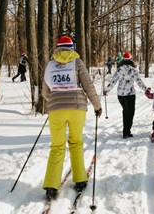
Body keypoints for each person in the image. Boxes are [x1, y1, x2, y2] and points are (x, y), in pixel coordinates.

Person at [42, 35, 102, 200]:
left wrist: (55, 102)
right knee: (76, 143)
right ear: (72, 47)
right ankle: (80, 180)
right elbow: (88, 85)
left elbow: (45, 92)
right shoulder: (77, 62)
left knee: (57, 146)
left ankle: (51, 186)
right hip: (77, 108)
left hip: (56, 110)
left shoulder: (50, 65)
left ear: (57, 48)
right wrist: (97, 106)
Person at [103, 52, 148, 139]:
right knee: (130, 113)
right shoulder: (133, 70)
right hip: (130, 95)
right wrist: (146, 89)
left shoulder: (119, 69)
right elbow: (139, 82)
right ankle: (127, 132)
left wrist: (106, 90)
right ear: (131, 60)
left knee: (125, 111)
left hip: (120, 95)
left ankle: (125, 131)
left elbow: (113, 81)